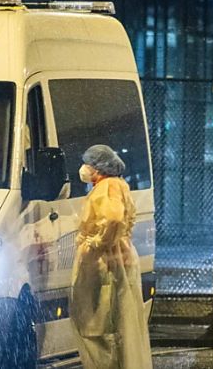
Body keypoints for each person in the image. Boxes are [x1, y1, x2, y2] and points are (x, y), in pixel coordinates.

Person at [69, 144, 153, 369]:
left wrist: (97, 243)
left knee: (97, 323)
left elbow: (113, 219)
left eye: (88, 163)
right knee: (120, 320)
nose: (84, 168)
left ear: (98, 167)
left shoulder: (107, 187)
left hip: (104, 262)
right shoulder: (118, 185)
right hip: (118, 257)